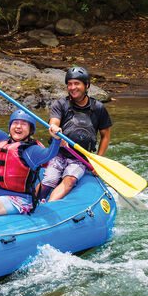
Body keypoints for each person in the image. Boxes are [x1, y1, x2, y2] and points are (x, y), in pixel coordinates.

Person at [0, 80, 60, 221]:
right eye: (15, 123)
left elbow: (50, 154)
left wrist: (55, 139)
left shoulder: (32, 150)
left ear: (30, 131)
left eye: (23, 124)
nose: (18, 127)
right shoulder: (2, 140)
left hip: (19, 200)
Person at [43, 66, 112, 202]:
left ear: (86, 85)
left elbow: (105, 136)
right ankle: (30, 203)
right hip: (58, 153)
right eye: (69, 84)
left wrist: (98, 162)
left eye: (76, 83)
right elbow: (53, 124)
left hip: (80, 158)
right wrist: (56, 132)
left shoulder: (98, 108)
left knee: (69, 181)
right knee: (48, 181)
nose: (72, 87)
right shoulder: (61, 104)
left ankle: (48, 206)